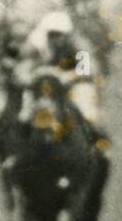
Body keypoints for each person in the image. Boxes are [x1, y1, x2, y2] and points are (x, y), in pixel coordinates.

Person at [15, 10, 109, 146]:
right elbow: (23, 67)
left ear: (66, 35)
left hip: (75, 85)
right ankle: (22, 145)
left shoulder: (78, 45)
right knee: (26, 109)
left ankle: (99, 147)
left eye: (58, 35)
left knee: (87, 111)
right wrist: (30, 77)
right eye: (51, 34)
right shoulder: (39, 46)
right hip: (47, 85)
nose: (54, 39)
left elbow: (89, 69)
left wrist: (68, 76)